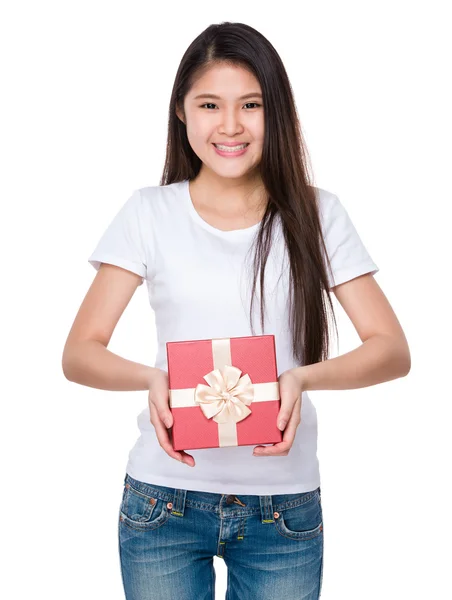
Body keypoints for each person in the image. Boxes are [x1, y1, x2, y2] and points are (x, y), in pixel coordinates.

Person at [62, 21, 411, 600]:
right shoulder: (149, 213)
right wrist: (153, 380)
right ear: (182, 111)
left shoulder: (318, 214)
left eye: (250, 104)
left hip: (284, 511)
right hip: (162, 502)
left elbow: (391, 350)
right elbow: (79, 353)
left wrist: (301, 378)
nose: (230, 126)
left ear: (276, 111)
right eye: (209, 104)